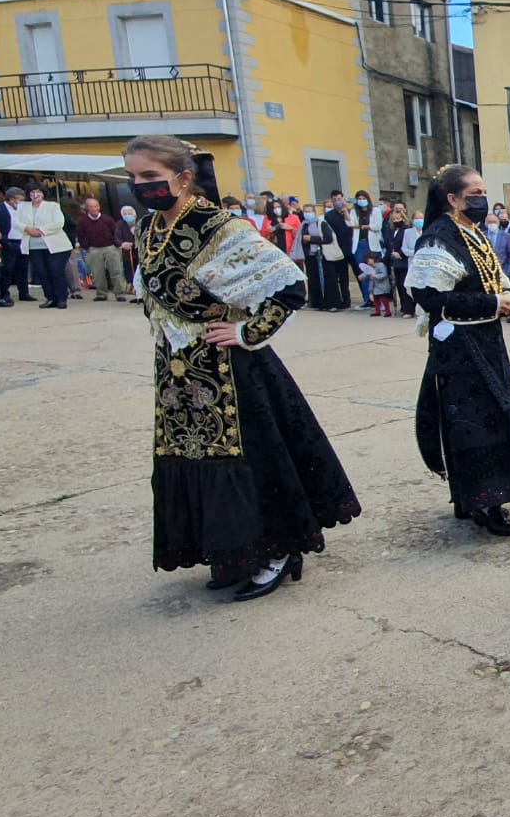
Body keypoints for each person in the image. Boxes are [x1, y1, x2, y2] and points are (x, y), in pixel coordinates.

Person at [122, 134, 359, 599]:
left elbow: (289, 285)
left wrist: (247, 332)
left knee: (249, 459)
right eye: (133, 177)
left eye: (150, 176)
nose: (140, 185)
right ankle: (232, 552)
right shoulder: (149, 228)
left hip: (231, 369)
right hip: (178, 369)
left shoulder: (219, 227)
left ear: (183, 178)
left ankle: (275, 551)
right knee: (195, 457)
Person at [408, 165, 510, 536]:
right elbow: (429, 296)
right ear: (453, 199)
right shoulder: (438, 237)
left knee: (492, 416)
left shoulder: (472, 232)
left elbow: (493, 274)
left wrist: (506, 296)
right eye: (474, 192)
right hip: (459, 348)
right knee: (473, 425)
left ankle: (477, 497)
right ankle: (484, 500)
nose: (482, 198)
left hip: (486, 342)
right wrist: (492, 304)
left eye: (482, 191)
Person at [18, 185, 72, 310]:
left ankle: (61, 298)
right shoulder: (23, 207)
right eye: (32, 191)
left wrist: (41, 230)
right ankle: (50, 297)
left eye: (38, 191)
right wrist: (28, 229)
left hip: (55, 246)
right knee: (42, 272)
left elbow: (59, 222)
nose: (35, 194)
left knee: (55, 271)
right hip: (33, 246)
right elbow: (16, 222)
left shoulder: (52, 206)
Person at [75, 197, 128, 302]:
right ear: (87, 208)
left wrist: (117, 244)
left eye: (96, 206)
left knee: (116, 271)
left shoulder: (107, 219)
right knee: (97, 272)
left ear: (99, 207)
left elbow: (115, 232)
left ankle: (120, 293)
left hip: (110, 247)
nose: (94, 209)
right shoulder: (83, 221)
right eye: (92, 207)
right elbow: (81, 235)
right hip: (94, 248)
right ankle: (101, 293)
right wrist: (86, 247)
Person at [319, 194, 354, 310]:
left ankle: (355, 300)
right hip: (337, 249)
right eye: (334, 200)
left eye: (339, 199)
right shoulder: (329, 216)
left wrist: (346, 211)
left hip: (350, 247)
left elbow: (352, 226)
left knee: (351, 276)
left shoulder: (350, 212)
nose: (337, 202)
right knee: (339, 278)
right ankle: (341, 301)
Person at [350, 189, 382, 309]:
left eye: (364, 198)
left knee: (374, 272)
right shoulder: (354, 212)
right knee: (363, 273)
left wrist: (365, 226)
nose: (362, 201)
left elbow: (377, 226)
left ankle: (378, 300)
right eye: (359, 199)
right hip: (359, 244)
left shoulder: (376, 211)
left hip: (372, 244)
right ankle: (367, 299)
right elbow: (350, 224)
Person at [0, 187, 28, 302]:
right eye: (18, 200)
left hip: (22, 240)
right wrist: (3, 241)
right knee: (8, 269)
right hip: (8, 241)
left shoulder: (23, 209)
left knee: (23, 268)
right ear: (10, 198)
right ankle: (5, 293)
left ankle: (24, 293)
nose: (20, 202)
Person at [385, 201, 413, 316]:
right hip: (395, 261)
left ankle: (409, 309)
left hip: (404, 260)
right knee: (399, 286)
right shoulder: (392, 231)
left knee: (404, 285)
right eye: (394, 219)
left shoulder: (406, 230)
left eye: (398, 219)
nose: (396, 221)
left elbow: (407, 244)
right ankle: (403, 307)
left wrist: (400, 253)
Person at [114, 203, 138, 298]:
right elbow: (117, 236)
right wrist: (122, 244)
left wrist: (136, 243)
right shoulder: (120, 224)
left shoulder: (139, 222)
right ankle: (130, 285)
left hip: (137, 250)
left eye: (129, 213)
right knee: (128, 267)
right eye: (125, 213)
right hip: (126, 251)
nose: (128, 215)